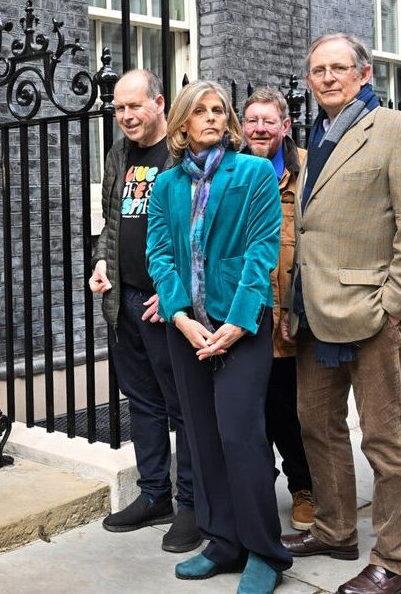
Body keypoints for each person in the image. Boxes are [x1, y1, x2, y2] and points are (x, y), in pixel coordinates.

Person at [280, 33, 401, 594]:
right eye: (317, 69)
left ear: (365, 74)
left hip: (372, 314)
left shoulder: (400, 132)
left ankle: (396, 563)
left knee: (385, 439)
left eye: (339, 68)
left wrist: (395, 308)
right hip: (313, 314)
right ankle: (334, 528)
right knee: (315, 427)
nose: (327, 77)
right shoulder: (313, 140)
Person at [147, 79, 289, 593]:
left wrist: (236, 323)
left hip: (242, 326)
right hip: (187, 329)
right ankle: (223, 541)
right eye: (200, 111)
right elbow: (160, 255)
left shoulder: (251, 173)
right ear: (183, 121)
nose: (210, 117)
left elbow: (261, 252)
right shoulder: (164, 185)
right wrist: (181, 317)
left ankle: (264, 551)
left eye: (218, 110)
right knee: (201, 436)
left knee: (240, 434)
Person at [89, 69, 200, 553]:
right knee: (145, 404)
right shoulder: (118, 154)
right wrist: (99, 260)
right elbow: (111, 216)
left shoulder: (182, 153)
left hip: (167, 305)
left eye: (134, 106)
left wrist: (176, 293)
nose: (126, 116)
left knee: (184, 407)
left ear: (159, 102)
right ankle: (155, 494)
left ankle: (194, 504)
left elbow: (202, 228)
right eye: (118, 108)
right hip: (124, 299)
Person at [240, 87, 315, 532]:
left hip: (290, 311)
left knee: (291, 407)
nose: (260, 128)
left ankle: (304, 486)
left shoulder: (305, 171)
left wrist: (297, 309)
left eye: (269, 120)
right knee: (250, 407)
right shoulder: (233, 169)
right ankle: (255, 488)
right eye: (252, 120)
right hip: (245, 309)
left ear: (285, 126)